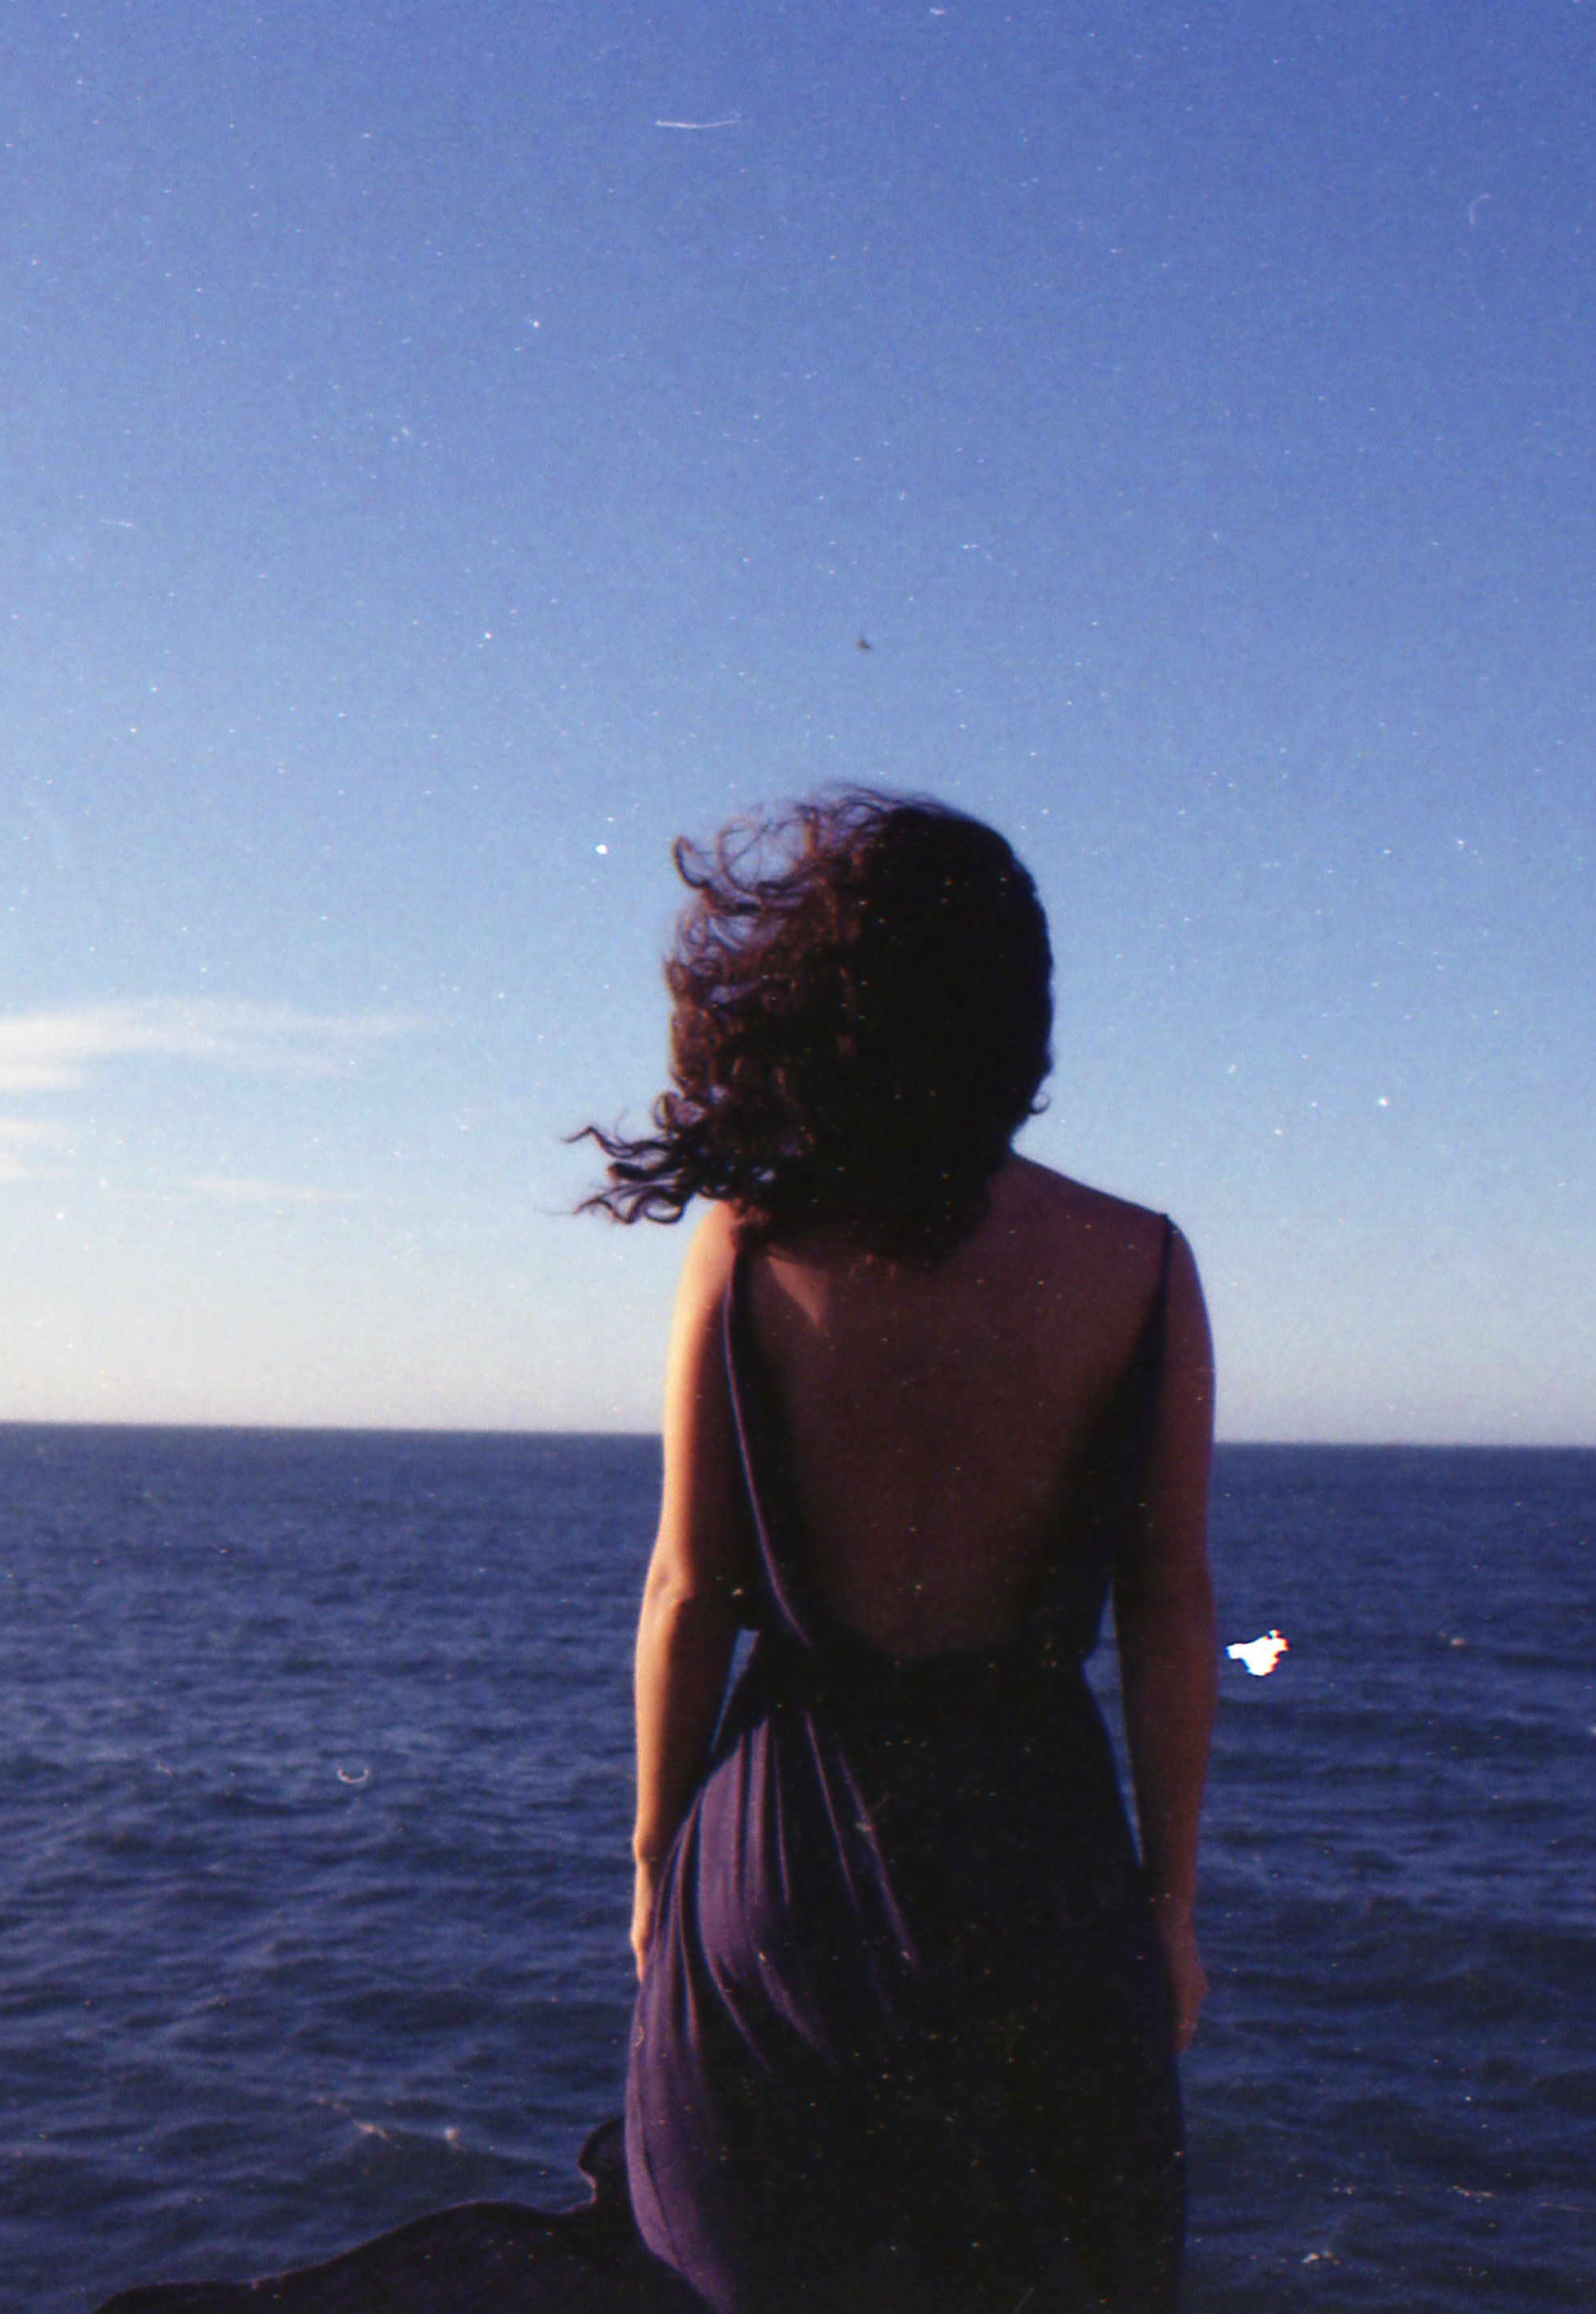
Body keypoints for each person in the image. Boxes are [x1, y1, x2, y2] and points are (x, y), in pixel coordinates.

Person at [582, 788, 1216, 2314]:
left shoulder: (747, 1241)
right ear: (1018, 1016)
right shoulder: (1138, 1262)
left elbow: (688, 1592)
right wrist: (1169, 1904)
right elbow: (1171, 1604)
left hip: (785, 1849)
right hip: (1038, 1851)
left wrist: (657, 1864)